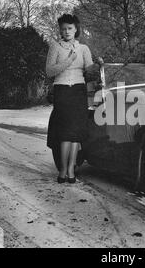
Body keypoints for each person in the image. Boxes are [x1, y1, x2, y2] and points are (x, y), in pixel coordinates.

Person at [46, 14, 101, 184]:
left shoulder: (83, 48)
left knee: (75, 135)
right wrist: (68, 60)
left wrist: (99, 65)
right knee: (64, 134)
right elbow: (49, 71)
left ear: (76, 29)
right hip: (62, 91)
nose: (66, 31)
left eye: (70, 28)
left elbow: (89, 71)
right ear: (60, 30)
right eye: (63, 28)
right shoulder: (55, 47)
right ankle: (62, 170)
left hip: (78, 91)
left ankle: (71, 170)